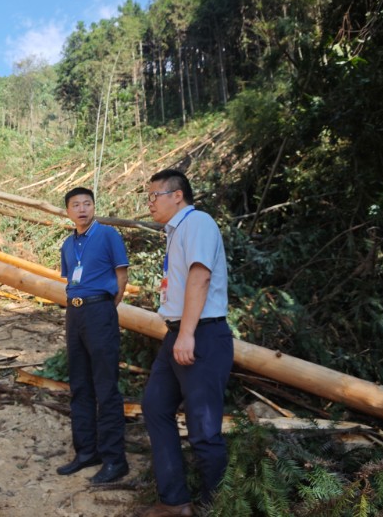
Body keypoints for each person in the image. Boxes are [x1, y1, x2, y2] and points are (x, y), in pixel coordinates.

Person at [139, 169, 233, 517]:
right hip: (178, 334)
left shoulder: (197, 223)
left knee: (204, 431)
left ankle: (216, 508)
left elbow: (201, 275)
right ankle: (175, 501)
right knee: (155, 407)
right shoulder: (175, 231)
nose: (149, 204)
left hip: (202, 335)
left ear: (177, 195)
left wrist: (189, 333)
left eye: (154, 196)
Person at [56, 187, 130, 484]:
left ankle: (115, 459)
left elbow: (121, 276)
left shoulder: (108, 235)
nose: (82, 209)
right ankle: (86, 451)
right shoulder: (67, 244)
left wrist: (106, 309)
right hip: (74, 314)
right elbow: (71, 277)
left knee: (105, 387)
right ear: (68, 211)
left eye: (87, 203)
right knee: (80, 385)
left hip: (100, 311)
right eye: (76, 205)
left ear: (94, 207)